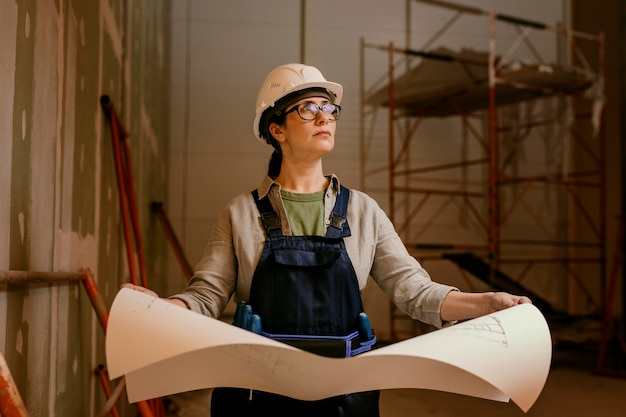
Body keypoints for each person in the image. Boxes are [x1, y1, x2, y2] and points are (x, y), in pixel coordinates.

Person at [125, 63, 531, 417]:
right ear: (277, 128)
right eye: (309, 108)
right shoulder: (240, 214)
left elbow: (415, 292)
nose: (325, 117)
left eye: (329, 108)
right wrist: (164, 309)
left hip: (344, 398)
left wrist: (487, 303)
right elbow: (206, 296)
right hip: (257, 396)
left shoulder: (363, 212)